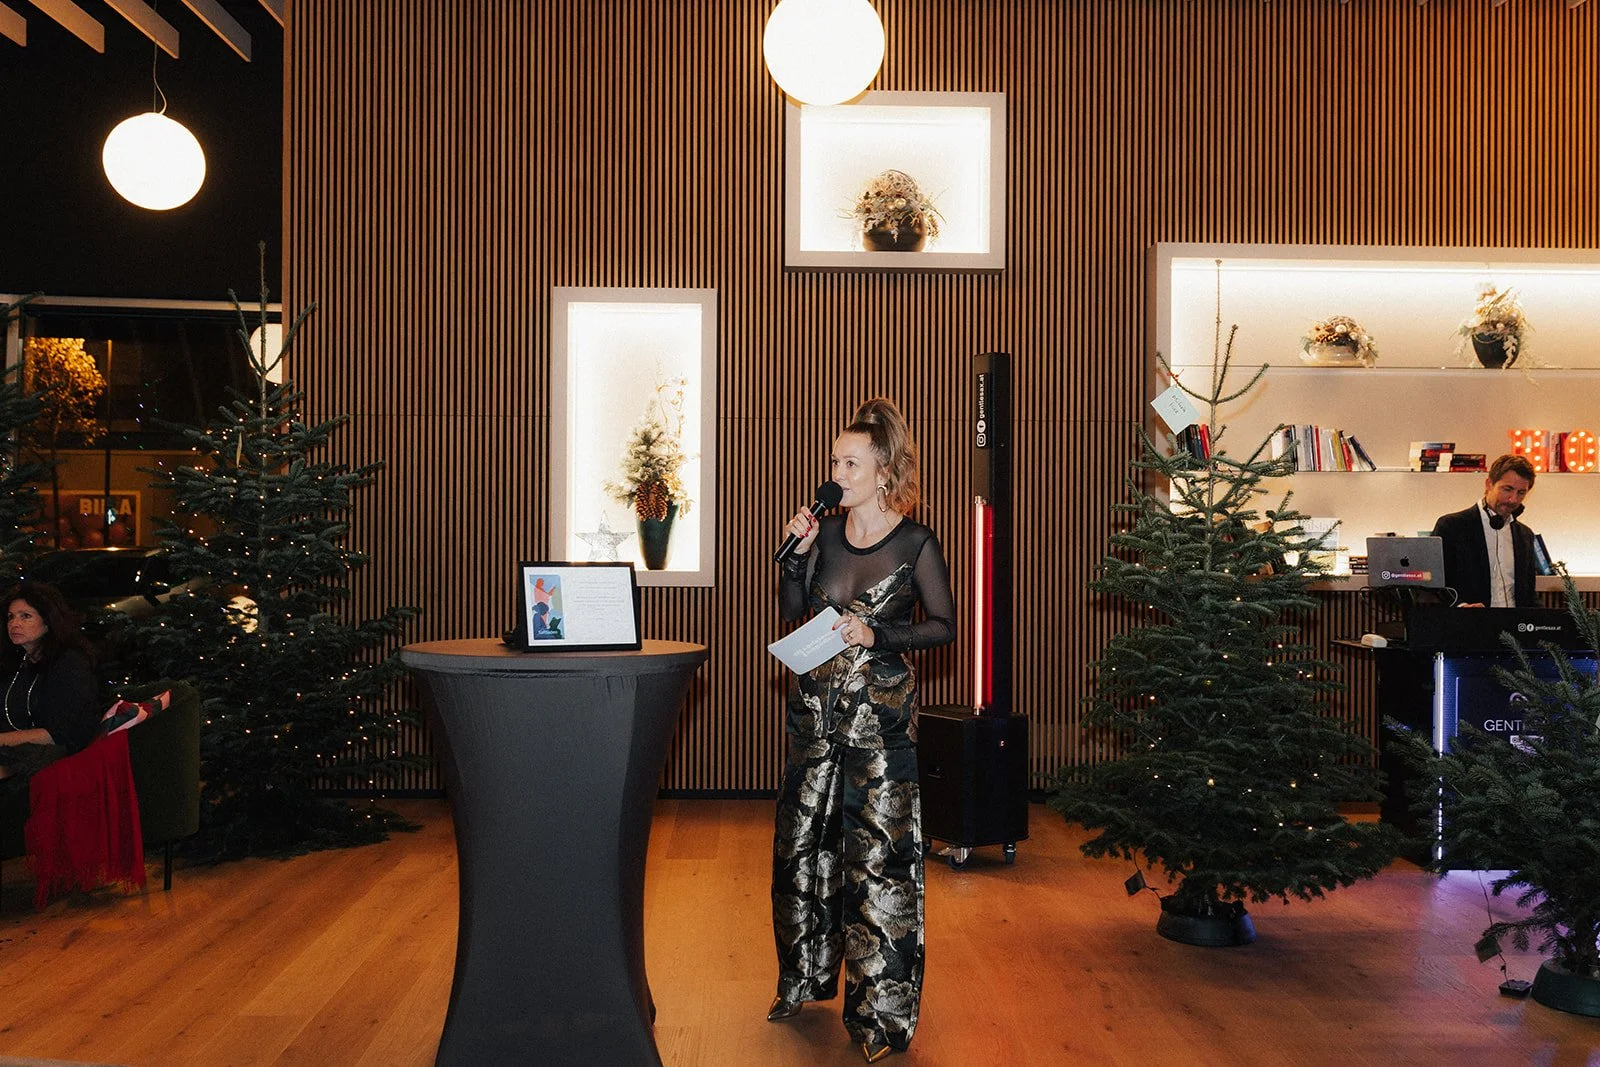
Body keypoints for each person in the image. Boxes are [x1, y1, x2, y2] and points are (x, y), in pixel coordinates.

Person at [768, 397, 956, 1063]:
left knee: (878, 870)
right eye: (834, 461)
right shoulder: (824, 534)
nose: (836, 472)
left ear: (883, 472)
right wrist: (796, 560)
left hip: (879, 733)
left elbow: (943, 625)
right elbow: (796, 615)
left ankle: (879, 1016)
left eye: (851, 462)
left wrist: (878, 631)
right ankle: (801, 980)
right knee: (802, 858)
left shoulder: (915, 543)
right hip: (815, 726)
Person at [0, 581, 101, 784]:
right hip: (14, 749)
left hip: (59, 755)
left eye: (25, 616)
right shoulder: (16, 660)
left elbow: (57, 734)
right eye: (11, 617)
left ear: (47, 622)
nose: (14, 624)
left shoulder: (70, 662)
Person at [1430, 453, 1539, 608]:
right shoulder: (1451, 526)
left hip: (1515, 627)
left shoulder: (1525, 535)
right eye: (1507, 489)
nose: (1513, 499)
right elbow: (1436, 584)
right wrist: (1461, 606)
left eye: (1521, 493)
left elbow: (1529, 594)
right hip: (1468, 627)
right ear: (1489, 484)